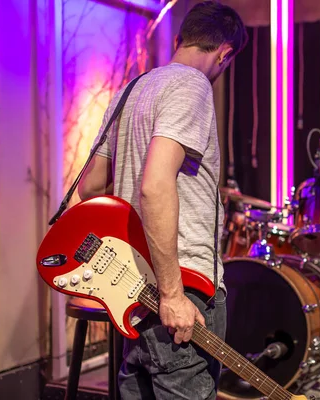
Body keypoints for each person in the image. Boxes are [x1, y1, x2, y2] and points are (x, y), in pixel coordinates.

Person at [77, 2, 247, 399]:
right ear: (225, 53)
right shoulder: (192, 86)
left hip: (135, 289)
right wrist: (171, 295)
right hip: (182, 288)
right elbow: (155, 185)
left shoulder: (129, 91)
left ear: (178, 40)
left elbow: (90, 187)